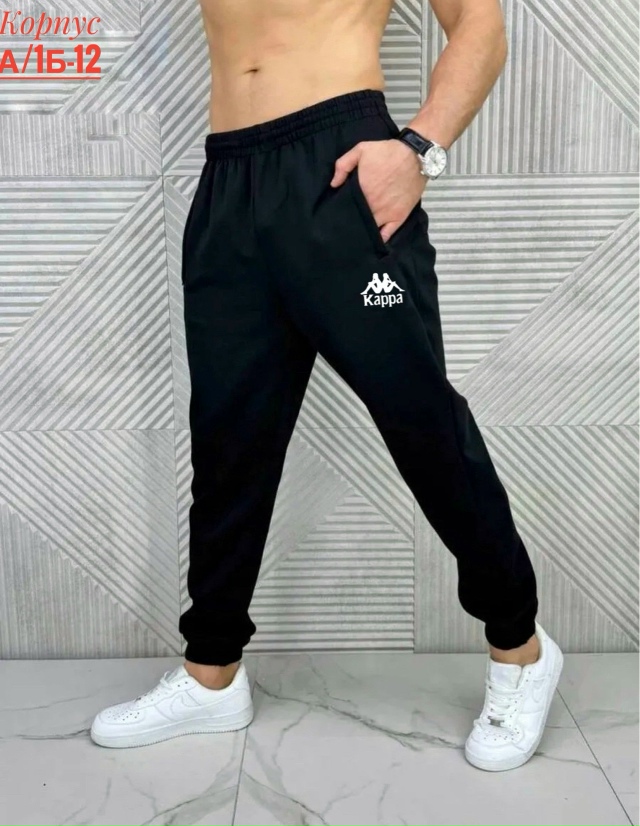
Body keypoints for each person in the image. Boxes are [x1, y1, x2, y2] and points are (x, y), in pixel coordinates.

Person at [90, 0, 564, 771]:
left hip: (339, 171)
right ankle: (212, 674)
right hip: (228, 180)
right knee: (229, 443)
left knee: (421, 425)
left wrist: (417, 149)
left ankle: (521, 648)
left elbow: (480, 25)